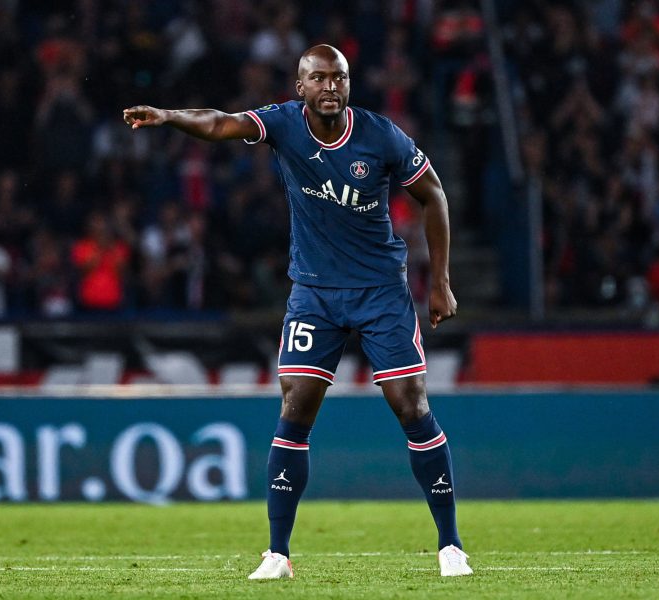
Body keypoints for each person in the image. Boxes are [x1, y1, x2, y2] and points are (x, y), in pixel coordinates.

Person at [123, 45, 471, 579]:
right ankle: (278, 554)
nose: (330, 87)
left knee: (411, 404)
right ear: (300, 87)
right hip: (314, 292)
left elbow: (435, 196)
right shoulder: (284, 124)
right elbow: (221, 125)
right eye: (319, 79)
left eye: (340, 78)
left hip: (380, 290)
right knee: (295, 406)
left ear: (349, 85)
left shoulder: (380, 136)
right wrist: (170, 117)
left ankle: (450, 546)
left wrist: (441, 283)